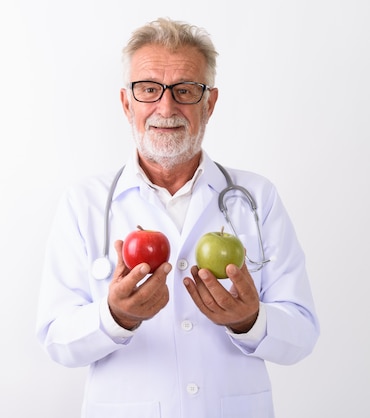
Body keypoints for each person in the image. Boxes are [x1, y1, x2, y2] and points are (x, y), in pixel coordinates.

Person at [35, 17, 319, 418]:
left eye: (185, 90)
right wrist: (114, 317)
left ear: (210, 103)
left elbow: (303, 333)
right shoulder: (85, 202)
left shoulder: (256, 198)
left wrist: (252, 320)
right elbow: (56, 340)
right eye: (149, 89)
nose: (166, 107)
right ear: (126, 102)